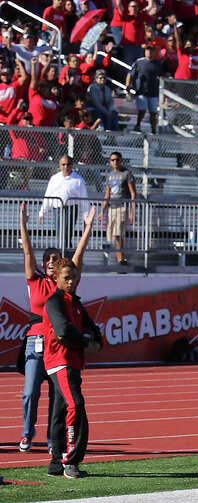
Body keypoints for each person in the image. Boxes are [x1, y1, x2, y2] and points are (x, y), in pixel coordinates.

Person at [18, 202, 93, 456]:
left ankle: (54, 440)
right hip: (34, 343)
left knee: (57, 398)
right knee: (30, 393)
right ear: (43, 263)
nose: (51, 261)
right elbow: (27, 253)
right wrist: (24, 225)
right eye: (47, 258)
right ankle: (27, 433)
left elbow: (78, 258)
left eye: (55, 258)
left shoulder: (64, 287)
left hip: (58, 347)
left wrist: (88, 229)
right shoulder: (36, 281)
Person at [44, 258, 103, 479]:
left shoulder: (75, 303)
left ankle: (56, 463)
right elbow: (63, 331)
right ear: (56, 278)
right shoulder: (55, 301)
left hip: (72, 362)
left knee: (60, 411)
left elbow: (93, 329)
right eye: (66, 278)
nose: (71, 282)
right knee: (75, 405)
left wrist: (93, 340)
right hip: (60, 361)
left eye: (74, 277)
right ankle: (70, 460)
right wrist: (87, 342)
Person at [40, 155, 88, 251]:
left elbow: (84, 199)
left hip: (71, 209)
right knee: (59, 234)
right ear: (60, 165)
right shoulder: (54, 178)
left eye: (68, 164)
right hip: (57, 209)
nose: (66, 167)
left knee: (66, 233)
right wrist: (42, 212)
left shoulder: (78, 179)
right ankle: (66, 255)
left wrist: (86, 216)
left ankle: (65, 255)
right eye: (63, 164)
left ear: (72, 165)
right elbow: (48, 195)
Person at [102, 151, 136, 270]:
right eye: (112, 160)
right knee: (114, 235)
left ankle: (121, 259)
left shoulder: (126, 173)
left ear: (121, 160)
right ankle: (119, 259)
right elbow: (107, 194)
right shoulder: (109, 175)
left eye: (117, 159)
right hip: (112, 207)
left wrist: (132, 211)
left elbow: (133, 193)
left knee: (119, 233)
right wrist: (102, 210)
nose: (115, 162)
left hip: (122, 206)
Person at [126, 43, 161, 133]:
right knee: (142, 109)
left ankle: (153, 130)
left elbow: (162, 75)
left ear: (154, 51)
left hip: (153, 91)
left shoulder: (157, 63)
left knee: (153, 112)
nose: (149, 52)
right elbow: (130, 73)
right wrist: (128, 85)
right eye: (148, 50)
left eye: (151, 50)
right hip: (141, 90)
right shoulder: (139, 62)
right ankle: (138, 124)